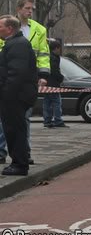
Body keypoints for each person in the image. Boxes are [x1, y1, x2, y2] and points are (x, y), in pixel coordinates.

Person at [0, 15, 38, 175]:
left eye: (0, 26)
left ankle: (20, 164)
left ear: (9, 28)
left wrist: (6, 94)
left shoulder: (17, 45)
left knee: (15, 129)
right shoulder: (14, 43)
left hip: (15, 97)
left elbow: (16, 73)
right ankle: (17, 162)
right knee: (12, 129)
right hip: (14, 95)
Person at [43, 39, 68, 128]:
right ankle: (58, 120)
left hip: (46, 84)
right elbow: (55, 71)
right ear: (56, 48)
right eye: (59, 49)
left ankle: (47, 121)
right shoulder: (54, 58)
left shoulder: (47, 57)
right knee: (57, 102)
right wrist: (61, 78)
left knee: (47, 102)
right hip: (53, 84)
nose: (60, 51)